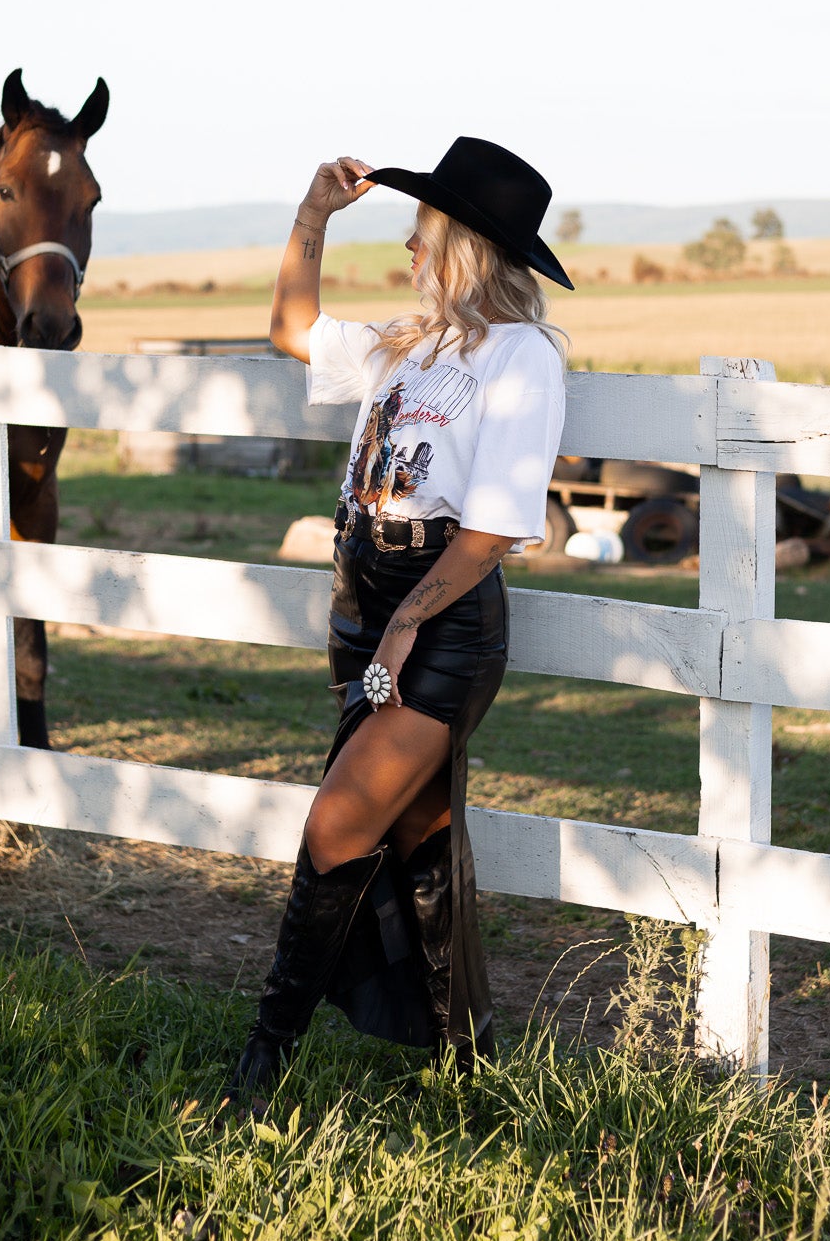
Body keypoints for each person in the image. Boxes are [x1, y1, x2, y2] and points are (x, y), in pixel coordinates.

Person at [227, 137, 573, 1096]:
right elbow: (291, 329)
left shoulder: (522, 359)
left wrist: (407, 621)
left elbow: (497, 526)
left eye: (421, 237)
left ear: (461, 245)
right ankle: (468, 1065)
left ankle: (265, 1058)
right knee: (413, 830)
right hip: (363, 602)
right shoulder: (405, 345)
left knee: (338, 823)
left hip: (442, 619)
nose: (410, 256)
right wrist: (310, 216)